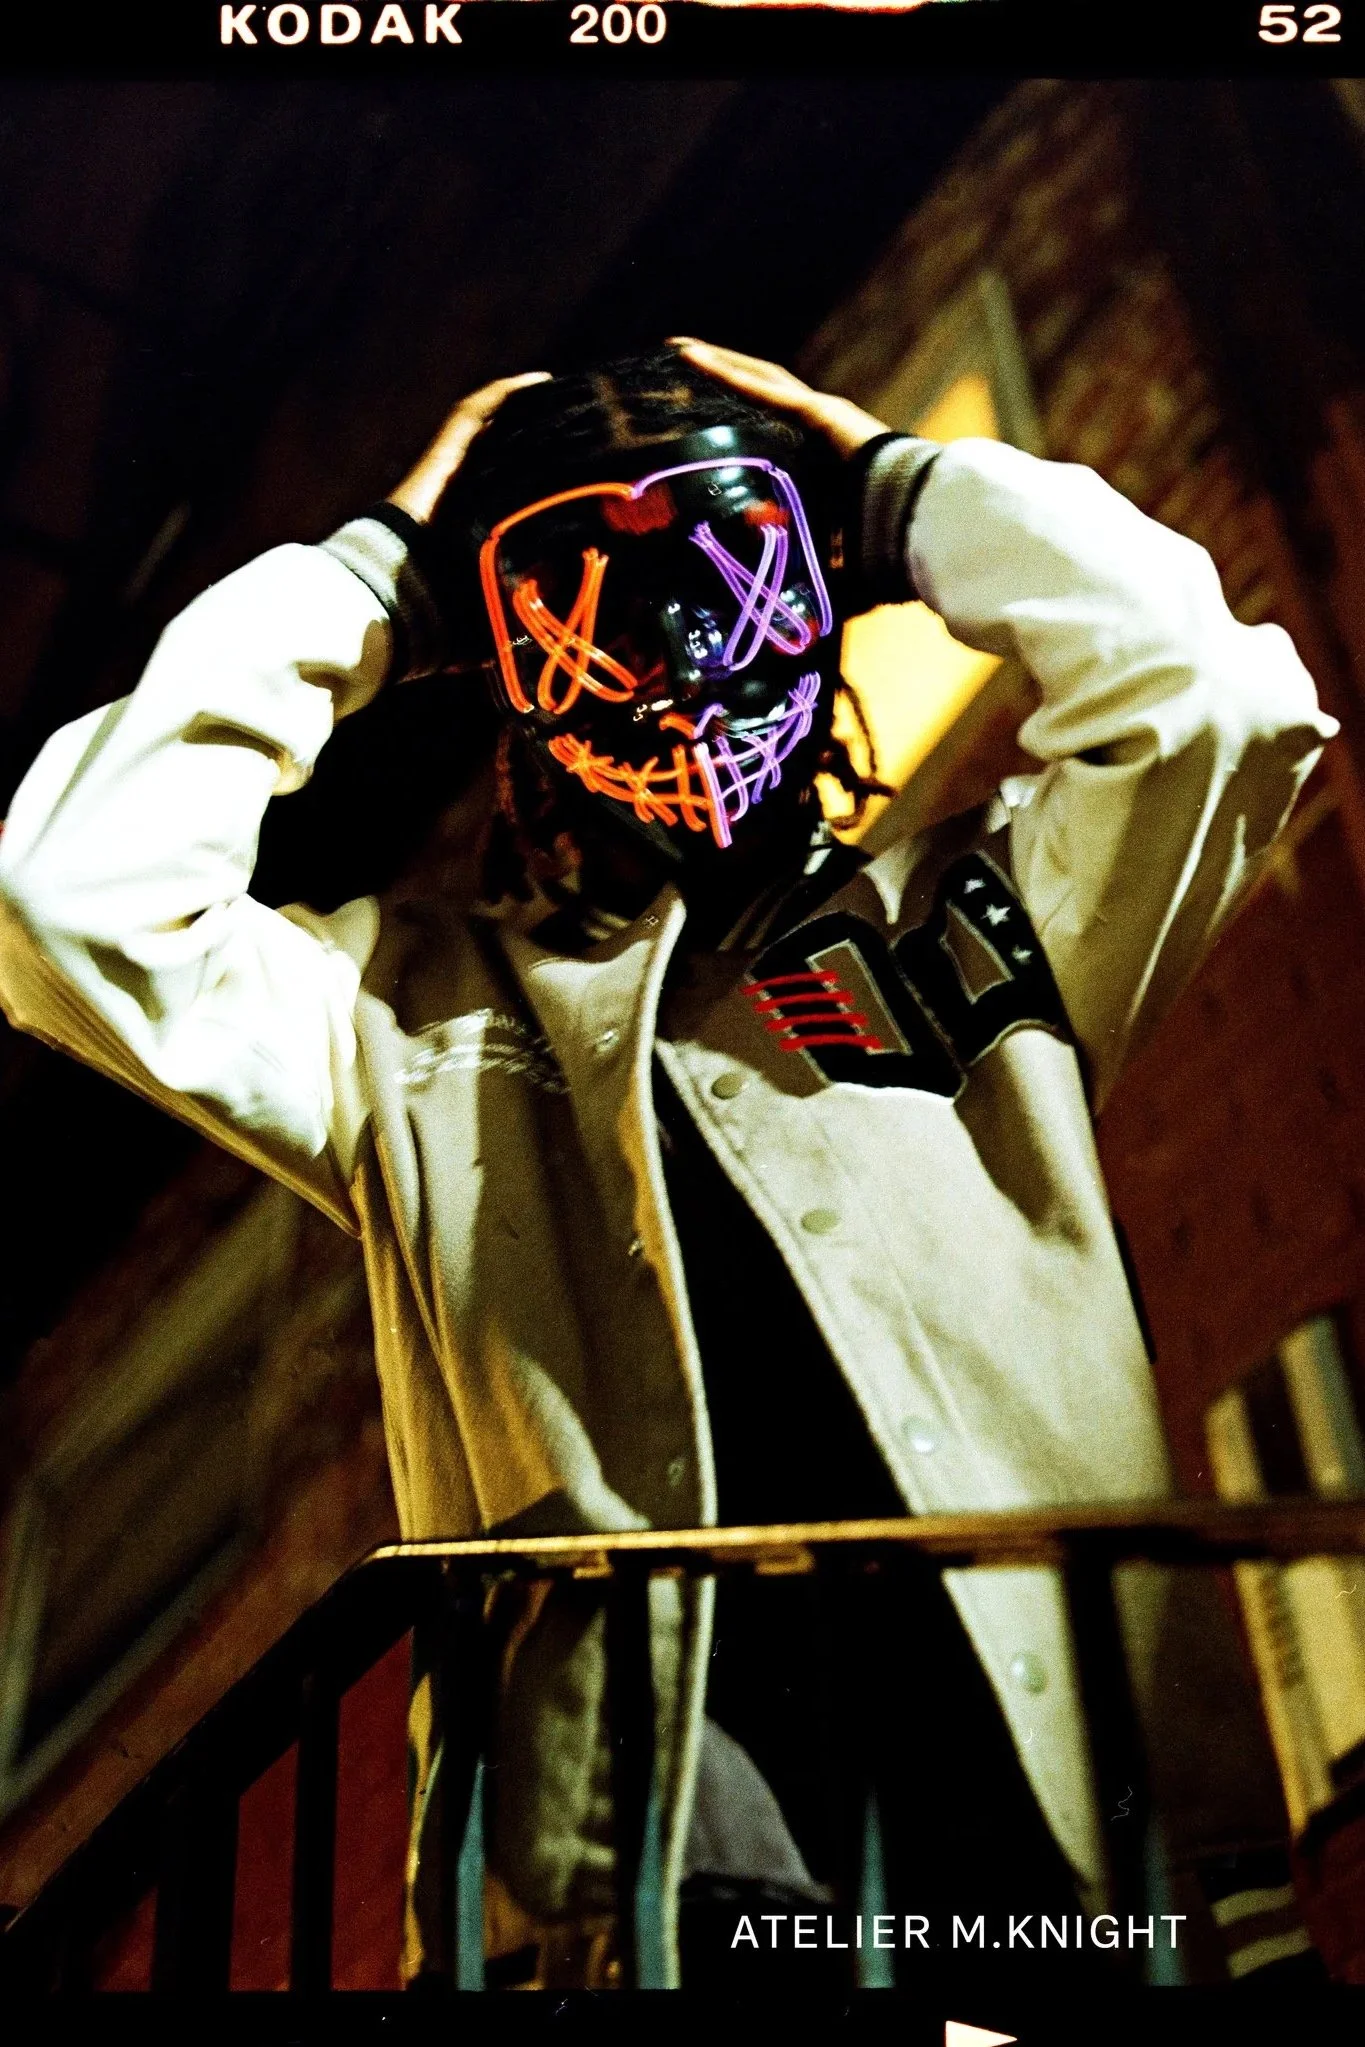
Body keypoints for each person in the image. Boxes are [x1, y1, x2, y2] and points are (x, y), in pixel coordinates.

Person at [0, 340, 1336, 1989]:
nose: (679, 659)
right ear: (511, 672)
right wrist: (382, 581)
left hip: (1067, 1843)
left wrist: (895, 493)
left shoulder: (977, 919)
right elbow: (73, 901)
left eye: (724, 586)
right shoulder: (400, 1022)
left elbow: (1217, 700)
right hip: (657, 1896)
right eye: (598, 616)